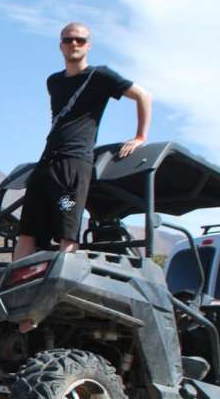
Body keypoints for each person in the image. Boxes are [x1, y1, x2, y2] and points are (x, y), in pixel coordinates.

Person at [13, 22, 152, 332]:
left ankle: (44, 308)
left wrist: (140, 136)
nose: (74, 44)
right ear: (61, 45)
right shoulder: (53, 82)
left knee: (67, 235)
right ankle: (13, 299)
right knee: (27, 232)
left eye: (80, 40)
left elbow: (142, 95)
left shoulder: (100, 76)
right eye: (68, 40)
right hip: (47, 161)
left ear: (88, 45)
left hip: (74, 165)